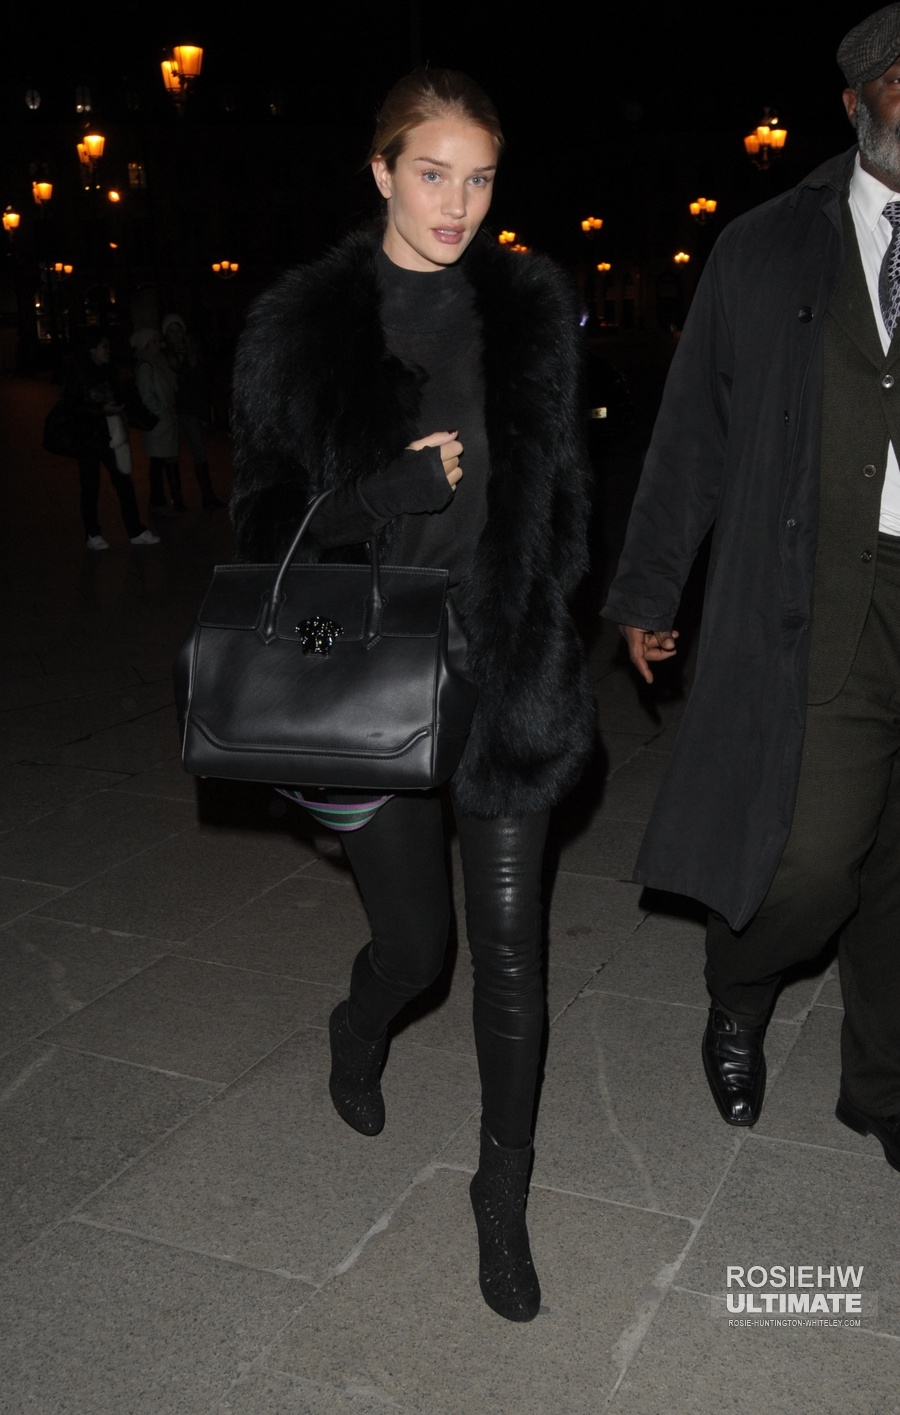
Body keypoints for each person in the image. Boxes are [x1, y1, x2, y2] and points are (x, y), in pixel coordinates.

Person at [230, 69, 595, 1319]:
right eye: (433, 173)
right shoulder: (300, 330)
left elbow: (564, 497)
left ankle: (502, 1191)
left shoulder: (530, 311)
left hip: (505, 666)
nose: (458, 203)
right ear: (382, 170)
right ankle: (358, 1024)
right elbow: (262, 530)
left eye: (480, 178)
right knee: (418, 951)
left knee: (512, 955)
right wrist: (381, 494)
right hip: (370, 673)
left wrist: (550, 611)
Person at [602, 5, 900, 1172]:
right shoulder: (767, 245)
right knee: (815, 859)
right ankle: (738, 983)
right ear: (856, 102)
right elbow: (695, 429)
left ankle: (883, 1085)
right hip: (818, 591)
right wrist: (649, 586)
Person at [61, 328, 159, 549]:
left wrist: (141, 416)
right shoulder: (78, 372)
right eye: (104, 346)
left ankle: (135, 530)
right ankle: (92, 534)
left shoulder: (109, 370)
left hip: (112, 435)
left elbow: (123, 397)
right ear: (92, 349)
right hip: (88, 438)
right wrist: (100, 409)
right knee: (90, 486)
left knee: (124, 483)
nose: (108, 350)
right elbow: (71, 405)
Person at [162, 313, 225, 509]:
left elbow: (201, 384)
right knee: (171, 455)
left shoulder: (193, 353)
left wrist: (204, 413)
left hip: (189, 411)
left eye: (178, 330)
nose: (176, 335)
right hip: (172, 412)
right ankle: (177, 499)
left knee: (199, 452)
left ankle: (208, 496)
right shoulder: (164, 356)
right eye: (171, 331)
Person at [131, 327, 183, 517]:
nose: (158, 344)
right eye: (153, 341)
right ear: (145, 345)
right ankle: (158, 503)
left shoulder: (159, 362)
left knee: (160, 462)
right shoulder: (146, 366)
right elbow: (147, 396)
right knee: (157, 464)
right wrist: (163, 414)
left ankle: (160, 502)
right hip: (158, 424)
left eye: (157, 340)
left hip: (165, 422)